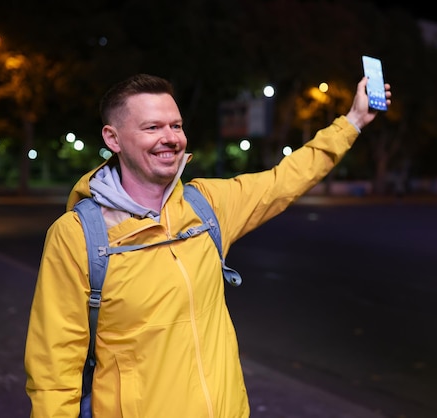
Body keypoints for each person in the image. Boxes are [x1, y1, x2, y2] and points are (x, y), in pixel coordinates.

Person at [24, 72, 391, 417]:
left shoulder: (206, 206)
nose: (170, 137)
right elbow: (53, 370)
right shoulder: (76, 235)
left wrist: (353, 120)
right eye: (152, 127)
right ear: (113, 138)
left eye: (176, 125)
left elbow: (285, 180)